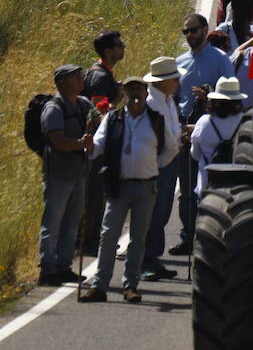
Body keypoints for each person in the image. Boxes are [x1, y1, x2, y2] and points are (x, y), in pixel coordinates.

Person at [82, 76, 178, 304]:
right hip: (118, 184)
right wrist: (89, 146)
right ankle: (99, 286)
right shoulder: (113, 118)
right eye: (129, 88)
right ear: (124, 92)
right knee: (108, 235)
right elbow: (98, 147)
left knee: (138, 237)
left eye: (138, 88)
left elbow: (172, 148)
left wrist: (157, 165)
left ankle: (130, 285)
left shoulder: (156, 119)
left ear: (146, 92)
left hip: (146, 184)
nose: (134, 92)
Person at [170, 14, 234, 255]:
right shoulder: (180, 61)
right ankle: (188, 236)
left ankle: (211, 236)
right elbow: (174, 97)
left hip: (211, 133)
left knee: (209, 189)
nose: (189, 36)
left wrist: (209, 98)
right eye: (185, 32)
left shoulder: (220, 59)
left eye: (193, 31)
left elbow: (231, 95)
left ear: (205, 30)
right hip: (184, 132)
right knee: (186, 189)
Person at [38, 64, 95, 286]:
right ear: (62, 82)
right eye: (75, 77)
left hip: (78, 172)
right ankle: (48, 270)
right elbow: (57, 140)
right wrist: (81, 144)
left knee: (72, 223)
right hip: (58, 174)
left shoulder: (84, 104)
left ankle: (64, 267)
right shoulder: (54, 108)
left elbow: (96, 127)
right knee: (52, 223)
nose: (81, 80)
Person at [81, 29, 125, 253]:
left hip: (95, 145)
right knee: (95, 194)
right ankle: (89, 242)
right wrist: (117, 100)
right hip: (95, 146)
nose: (123, 47)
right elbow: (98, 113)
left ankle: (90, 239)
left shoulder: (101, 73)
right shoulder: (100, 77)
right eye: (119, 45)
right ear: (108, 51)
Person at [140, 57, 183, 281]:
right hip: (157, 162)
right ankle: (145, 260)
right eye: (173, 78)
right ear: (161, 82)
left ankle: (153, 258)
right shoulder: (151, 104)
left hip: (170, 158)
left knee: (163, 211)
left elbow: (172, 129)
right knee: (154, 212)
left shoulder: (166, 100)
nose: (177, 81)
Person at [190, 77, 246, 198]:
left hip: (208, 186)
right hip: (237, 188)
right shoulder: (244, 121)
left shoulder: (204, 122)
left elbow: (195, 154)